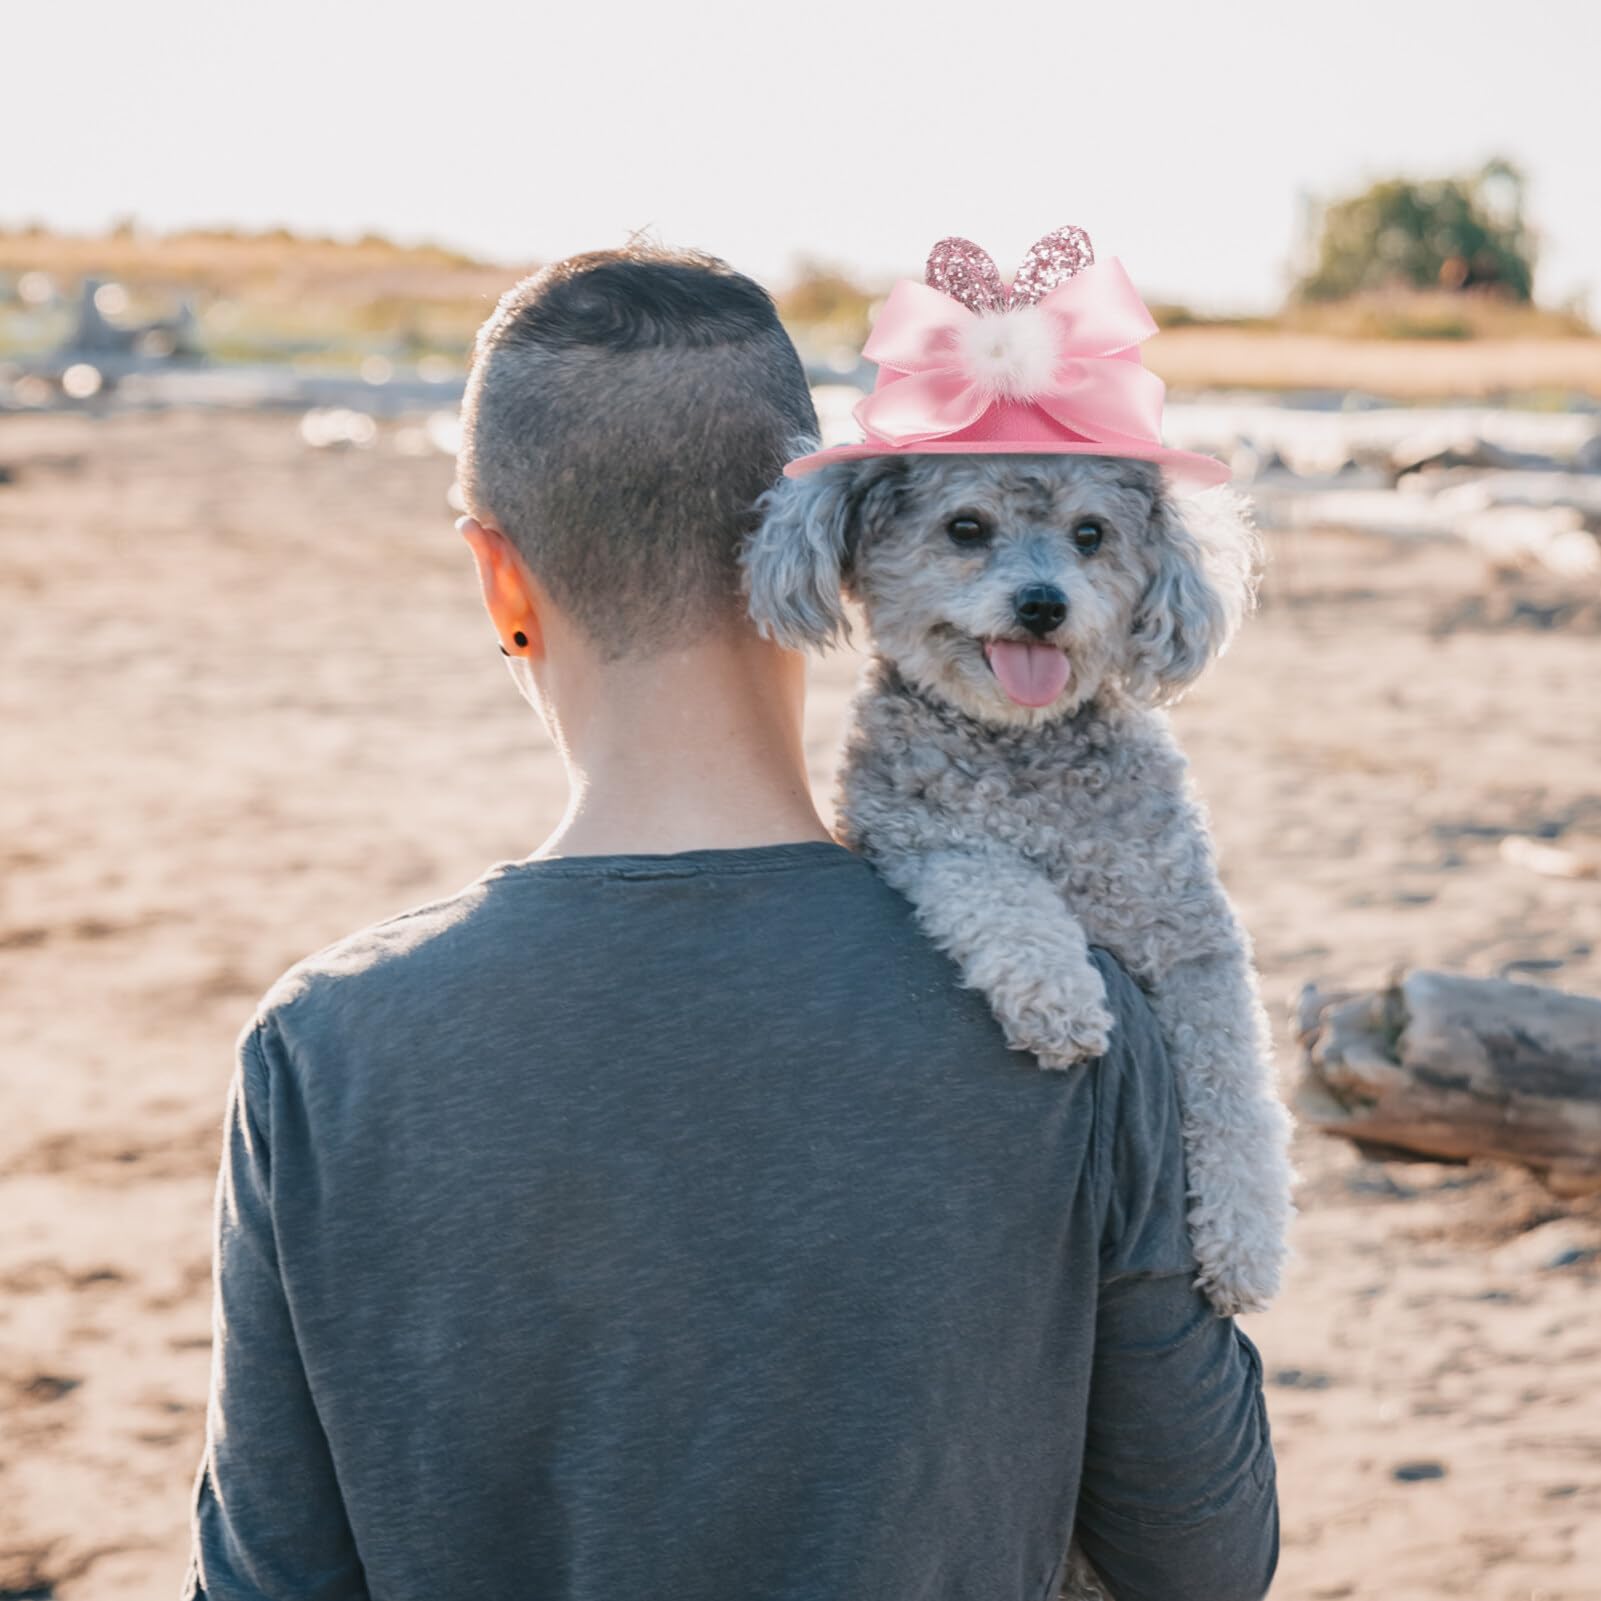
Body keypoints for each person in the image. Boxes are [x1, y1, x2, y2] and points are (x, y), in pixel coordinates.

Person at [181, 243, 1278, 1601]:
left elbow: (267, 1578)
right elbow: (1206, 1559)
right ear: (837, 546)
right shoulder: (1080, 1018)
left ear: (499, 580)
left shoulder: (319, 1048)